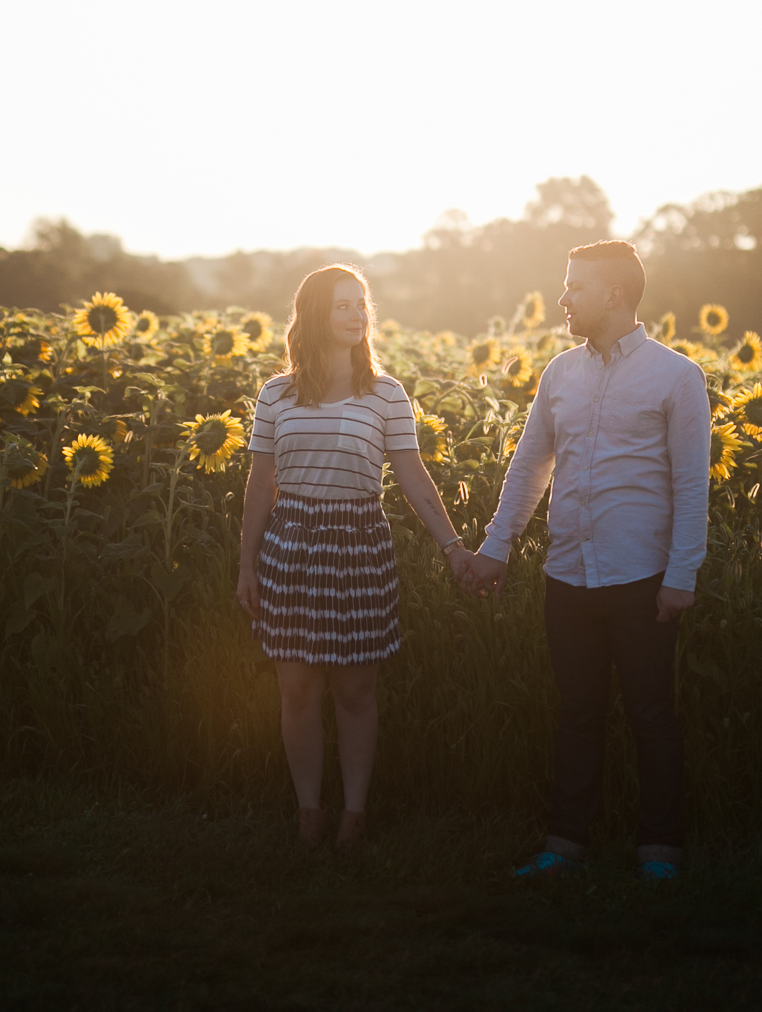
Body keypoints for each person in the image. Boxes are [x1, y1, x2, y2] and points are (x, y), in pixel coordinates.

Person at [460, 240, 711, 881]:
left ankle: (660, 849)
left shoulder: (677, 377)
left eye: (574, 286)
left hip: (641, 576)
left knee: (651, 714)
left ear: (615, 294)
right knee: (576, 714)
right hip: (566, 573)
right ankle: (565, 844)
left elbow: (691, 484)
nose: (563, 298)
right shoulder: (559, 374)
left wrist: (681, 575)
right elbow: (529, 467)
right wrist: (496, 546)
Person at [236, 264, 472, 850]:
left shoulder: (386, 394)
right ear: (315, 314)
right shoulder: (276, 394)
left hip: (359, 541)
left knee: (355, 691)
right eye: (342, 305)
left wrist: (453, 546)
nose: (356, 314)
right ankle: (309, 810)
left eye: (361, 303)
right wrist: (246, 565)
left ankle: (355, 814)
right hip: (289, 545)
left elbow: (413, 476)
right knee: (296, 691)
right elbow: (259, 484)